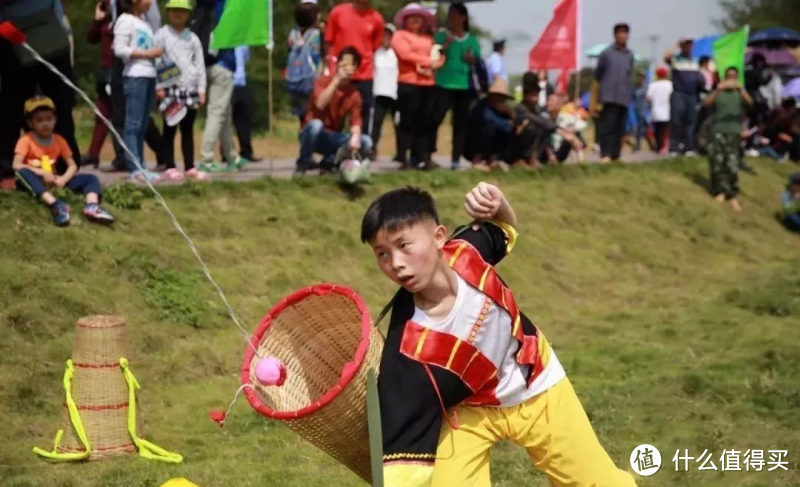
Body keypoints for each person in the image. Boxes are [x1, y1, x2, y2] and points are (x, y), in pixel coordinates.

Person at [361, 183, 638, 487]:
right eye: (382, 254)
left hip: (537, 383)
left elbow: (503, 227)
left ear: (439, 237)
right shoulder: (408, 344)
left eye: (404, 245)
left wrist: (499, 203)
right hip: (469, 411)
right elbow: (402, 426)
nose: (395, 264)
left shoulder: (469, 253)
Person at [0, 0, 81, 189]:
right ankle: (7, 171)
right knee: (12, 105)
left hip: (49, 29)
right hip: (10, 31)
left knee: (61, 102)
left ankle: (66, 168)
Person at [13, 97, 114, 226]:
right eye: (39, 120)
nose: (45, 124)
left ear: (55, 120)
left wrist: (64, 179)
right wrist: (41, 172)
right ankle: (56, 204)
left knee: (90, 178)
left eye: (49, 119)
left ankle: (92, 206)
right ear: (30, 123)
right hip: (36, 179)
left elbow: (72, 165)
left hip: (55, 179)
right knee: (23, 172)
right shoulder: (26, 140)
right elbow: (16, 165)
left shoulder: (59, 140)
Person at [294, 46, 372, 175]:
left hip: (333, 136)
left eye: (352, 65)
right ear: (337, 64)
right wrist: (337, 80)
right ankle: (303, 164)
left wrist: (355, 137)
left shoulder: (354, 94)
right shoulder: (322, 81)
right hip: (312, 134)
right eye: (344, 63)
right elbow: (320, 104)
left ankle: (331, 163)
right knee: (316, 125)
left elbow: (355, 122)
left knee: (366, 141)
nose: (347, 68)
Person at [152, 0, 207, 181]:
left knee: (187, 129)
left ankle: (190, 165)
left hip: (189, 88)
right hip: (169, 88)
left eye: (182, 11)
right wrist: (158, 86)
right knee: (169, 127)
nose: (178, 15)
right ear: (168, 12)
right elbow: (155, 61)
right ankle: (170, 165)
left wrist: (201, 89)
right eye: (175, 10)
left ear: (188, 14)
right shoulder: (161, 35)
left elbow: (199, 64)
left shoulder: (192, 38)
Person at [113, 0, 163, 181]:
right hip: (135, 76)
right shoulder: (125, 20)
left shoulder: (145, 24)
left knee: (142, 124)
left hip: (149, 76)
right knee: (133, 123)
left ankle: (141, 164)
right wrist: (147, 54)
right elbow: (119, 49)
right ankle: (133, 165)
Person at [429, 3, 481, 170]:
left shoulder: (471, 39)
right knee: (435, 119)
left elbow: (478, 61)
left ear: (463, 17)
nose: (451, 18)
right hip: (443, 84)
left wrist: (471, 59)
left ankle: (455, 159)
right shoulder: (441, 36)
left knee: (460, 125)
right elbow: (434, 56)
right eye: (449, 15)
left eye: (454, 15)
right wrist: (446, 46)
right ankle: (428, 155)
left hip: (463, 86)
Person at [391, 3, 442, 170]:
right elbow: (404, 54)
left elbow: (439, 55)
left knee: (425, 122)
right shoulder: (400, 36)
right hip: (408, 82)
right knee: (407, 121)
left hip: (428, 84)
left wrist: (437, 63)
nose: (416, 20)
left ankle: (421, 157)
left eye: (419, 17)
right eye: (412, 17)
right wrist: (427, 61)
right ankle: (403, 157)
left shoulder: (428, 38)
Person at [196, 0, 245, 172]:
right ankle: (206, 158)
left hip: (207, 62)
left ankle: (232, 156)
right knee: (217, 112)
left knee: (225, 113)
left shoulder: (206, 5)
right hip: (224, 64)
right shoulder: (227, 4)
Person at [324, 0, 385, 133]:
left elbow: (376, 47)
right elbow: (329, 42)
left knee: (363, 114)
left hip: (364, 74)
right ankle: (335, 148)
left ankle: (360, 148)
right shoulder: (337, 13)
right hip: (340, 73)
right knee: (336, 114)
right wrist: (330, 66)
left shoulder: (377, 18)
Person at [703, 66, 752, 212]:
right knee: (717, 162)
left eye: (733, 76)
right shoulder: (719, 92)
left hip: (734, 131)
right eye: (728, 76)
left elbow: (750, 103)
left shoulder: (740, 93)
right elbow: (706, 103)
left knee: (731, 163)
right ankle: (719, 191)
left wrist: (741, 89)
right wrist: (718, 89)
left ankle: (732, 193)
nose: (731, 79)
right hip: (718, 130)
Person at [507, 73, 581, 169]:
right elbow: (538, 120)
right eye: (533, 95)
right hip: (515, 149)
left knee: (545, 128)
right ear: (526, 95)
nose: (535, 99)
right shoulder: (520, 109)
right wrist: (561, 132)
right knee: (532, 127)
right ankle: (522, 160)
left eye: (537, 95)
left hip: (535, 151)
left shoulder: (535, 110)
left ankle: (538, 159)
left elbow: (544, 123)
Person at [594, 22, 634, 163]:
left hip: (623, 96)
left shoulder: (629, 55)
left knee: (620, 127)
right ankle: (605, 154)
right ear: (615, 35)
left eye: (625, 33)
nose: (623, 35)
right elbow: (598, 74)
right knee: (608, 126)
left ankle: (616, 155)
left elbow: (629, 74)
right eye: (620, 32)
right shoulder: (606, 53)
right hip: (609, 95)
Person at [663, 36, 704, 156]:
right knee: (676, 121)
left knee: (690, 122)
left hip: (692, 95)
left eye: (690, 44)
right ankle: (674, 147)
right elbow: (665, 56)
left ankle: (688, 147)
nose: (688, 46)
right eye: (685, 44)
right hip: (678, 94)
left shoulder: (695, 61)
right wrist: (676, 44)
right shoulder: (676, 59)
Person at [464, 79, 515, 172]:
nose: (501, 100)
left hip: (490, 148)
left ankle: (492, 160)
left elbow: (511, 128)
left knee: (506, 133)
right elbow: (494, 122)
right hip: (471, 146)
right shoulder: (481, 107)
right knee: (489, 129)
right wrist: (508, 122)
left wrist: (510, 115)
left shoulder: (503, 111)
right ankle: (477, 160)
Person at [287, 1, 322, 123]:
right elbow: (316, 57)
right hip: (311, 79)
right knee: (313, 114)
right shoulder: (315, 35)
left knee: (302, 116)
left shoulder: (292, 35)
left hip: (295, 79)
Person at [371, 24, 399, 160]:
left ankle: (400, 152)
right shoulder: (375, 53)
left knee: (398, 124)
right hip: (379, 92)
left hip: (395, 93)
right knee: (376, 123)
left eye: (388, 35)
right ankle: (372, 149)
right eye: (383, 35)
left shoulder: (397, 54)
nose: (386, 38)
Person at [232, 46, 261, 163]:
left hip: (242, 81)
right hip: (227, 82)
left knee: (245, 119)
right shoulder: (224, 37)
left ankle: (246, 151)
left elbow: (245, 60)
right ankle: (227, 153)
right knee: (226, 120)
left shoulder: (244, 43)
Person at [647, 66, 673, 154]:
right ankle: (664, 147)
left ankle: (658, 146)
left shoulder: (653, 85)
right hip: (667, 110)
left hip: (656, 110)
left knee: (657, 130)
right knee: (665, 130)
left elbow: (648, 98)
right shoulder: (669, 84)